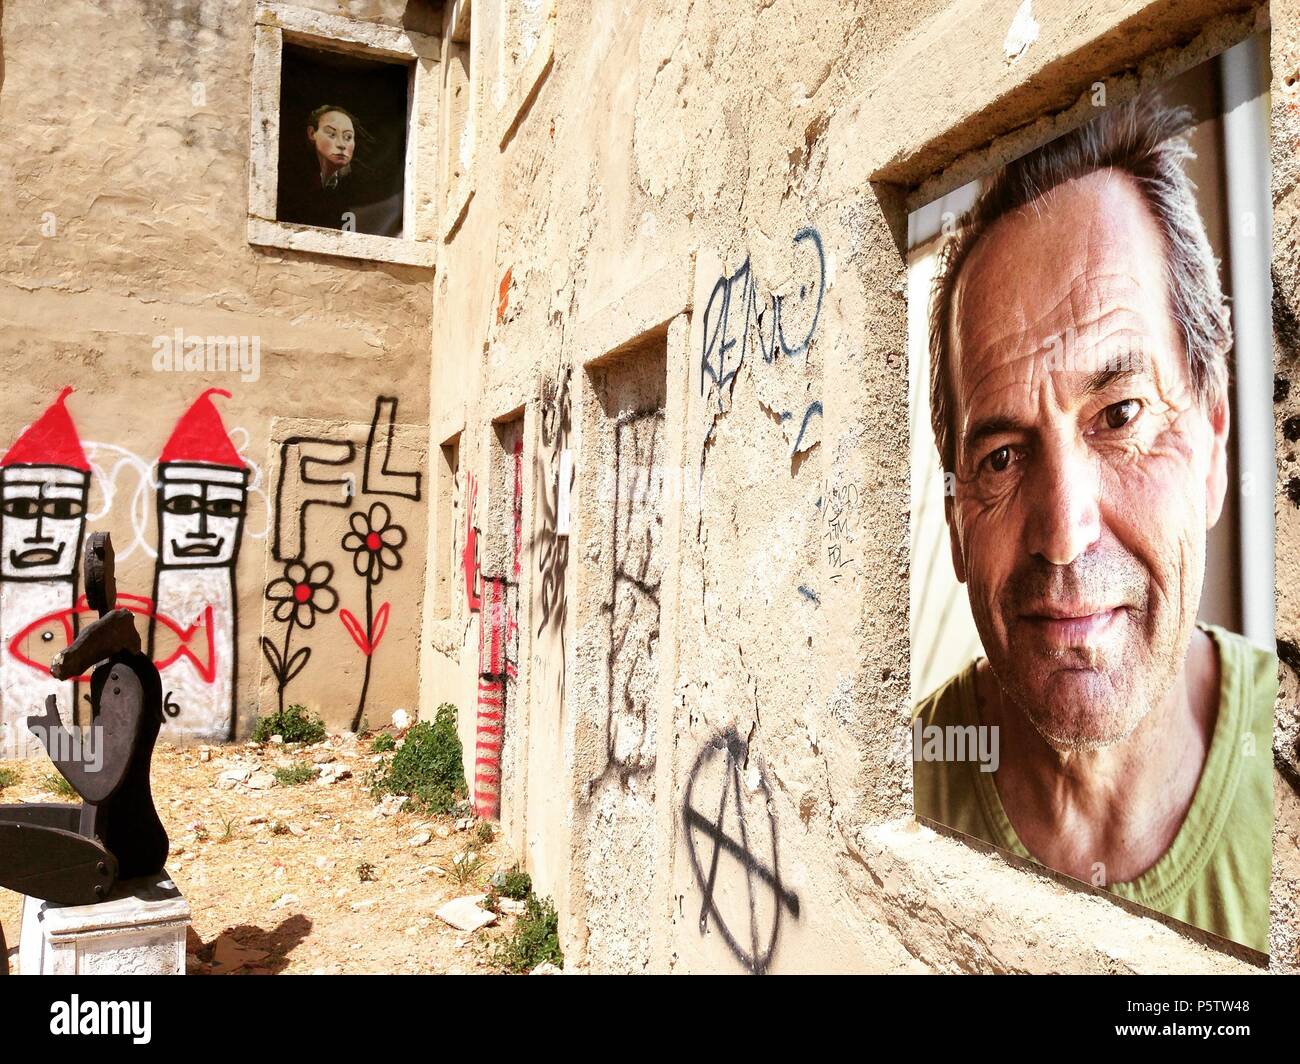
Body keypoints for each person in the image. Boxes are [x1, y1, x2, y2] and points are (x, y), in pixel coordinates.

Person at [914, 94, 1276, 952]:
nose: (1066, 534)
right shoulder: (900, 781)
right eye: (1002, 457)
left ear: (1214, 444)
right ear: (957, 525)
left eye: (1119, 415)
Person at [277, 104, 400, 236]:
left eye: (348, 137)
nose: (341, 144)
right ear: (312, 133)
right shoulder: (294, 183)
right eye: (331, 134)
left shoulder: (360, 187)